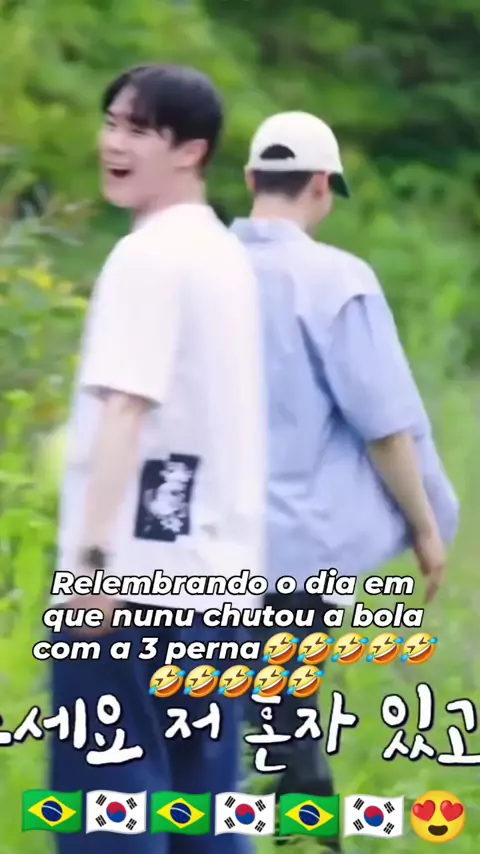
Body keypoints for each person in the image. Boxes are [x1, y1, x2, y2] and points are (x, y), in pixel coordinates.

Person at [50, 64, 267, 854]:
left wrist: (91, 570)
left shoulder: (147, 259)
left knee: (110, 813)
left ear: (190, 151)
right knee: (204, 814)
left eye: (139, 130)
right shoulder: (224, 256)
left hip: (135, 589)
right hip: (219, 589)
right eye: (112, 122)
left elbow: (126, 411)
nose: (113, 143)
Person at [232, 111, 459, 850]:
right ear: (324, 187)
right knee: (287, 727)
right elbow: (386, 426)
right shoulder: (336, 280)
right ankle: (308, 840)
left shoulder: (199, 266)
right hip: (297, 548)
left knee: (229, 722)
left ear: (251, 178)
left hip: (200, 543)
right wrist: (426, 526)